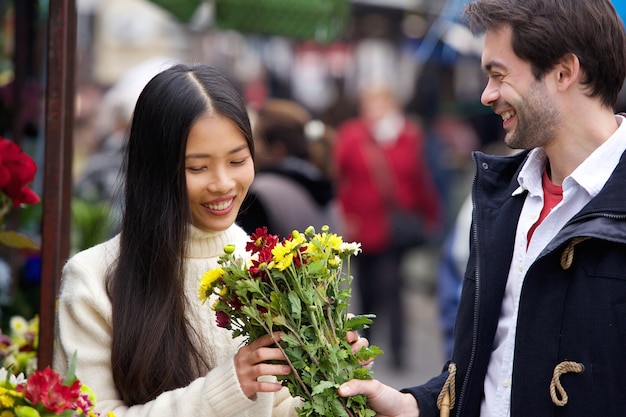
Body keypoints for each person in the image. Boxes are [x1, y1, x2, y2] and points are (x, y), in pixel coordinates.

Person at [338, 0, 626, 416]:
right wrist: (411, 405)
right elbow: (490, 369)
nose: (486, 94)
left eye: (498, 74)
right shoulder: (503, 198)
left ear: (564, 72)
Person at [53, 64, 367, 417]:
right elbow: (89, 412)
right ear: (155, 169)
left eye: (237, 160)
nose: (223, 183)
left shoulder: (274, 273)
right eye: (197, 168)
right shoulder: (93, 281)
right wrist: (227, 388)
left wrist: (337, 378)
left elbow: (293, 407)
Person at [333, 83, 442, 369]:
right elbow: (339, 177)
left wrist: (431, 215)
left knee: (391, 286)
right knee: (365, 287)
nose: (374, 111)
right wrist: (343, 215)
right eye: (369, 104)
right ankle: (363, 342)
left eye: (380, 104)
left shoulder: (408, 136)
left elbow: (420, 179)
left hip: (392, 228)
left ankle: (397, 349)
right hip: (360, 227)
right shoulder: (351, 135)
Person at [236, 99, 340, 238]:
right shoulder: (318, 180)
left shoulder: (262, 192)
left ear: (277, 149)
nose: (252, 147)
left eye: (256, 140)